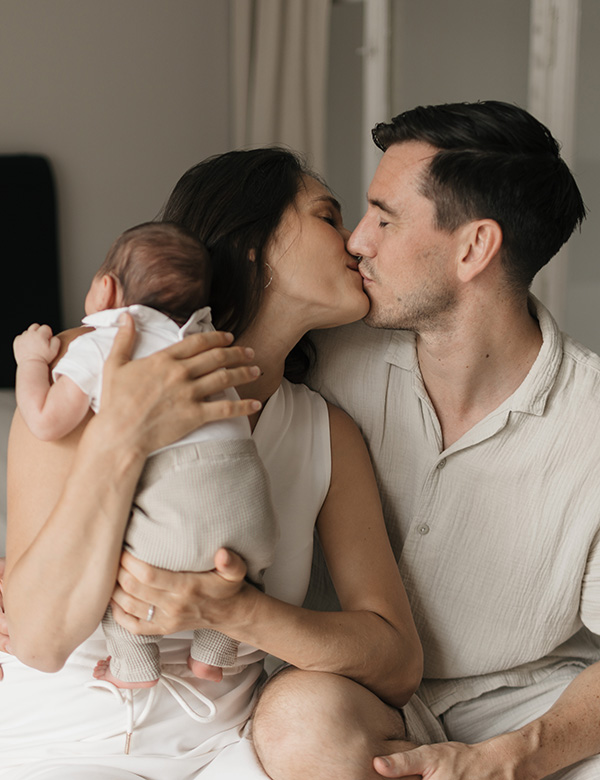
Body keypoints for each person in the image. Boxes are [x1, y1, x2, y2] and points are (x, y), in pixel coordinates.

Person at [0, 148, 423, 779]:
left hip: (221, 751)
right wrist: (121, 436)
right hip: (64, 743)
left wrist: (232, 612)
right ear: (252, 243)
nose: (357, 241)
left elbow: (396, 660)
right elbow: (37, 637)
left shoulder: (324, 433)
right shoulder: (88, 362)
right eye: (327, 215)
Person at [250, 101, 600, 780]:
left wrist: (517, 758)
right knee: (299, 722)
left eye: (385, 218)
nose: (357, 241)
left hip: (532, 708)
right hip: (362, 694)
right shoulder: (320, 355)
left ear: (474, 248)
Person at [12, 220, 277, 692]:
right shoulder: (206, 346)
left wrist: (30, 361)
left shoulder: (102, 343)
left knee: (117, 575)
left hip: (171, 532)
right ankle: (212, 656)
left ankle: (133, 668)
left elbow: (46, 420)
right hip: (251, 514)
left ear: (104, 289)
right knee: (233, 573)